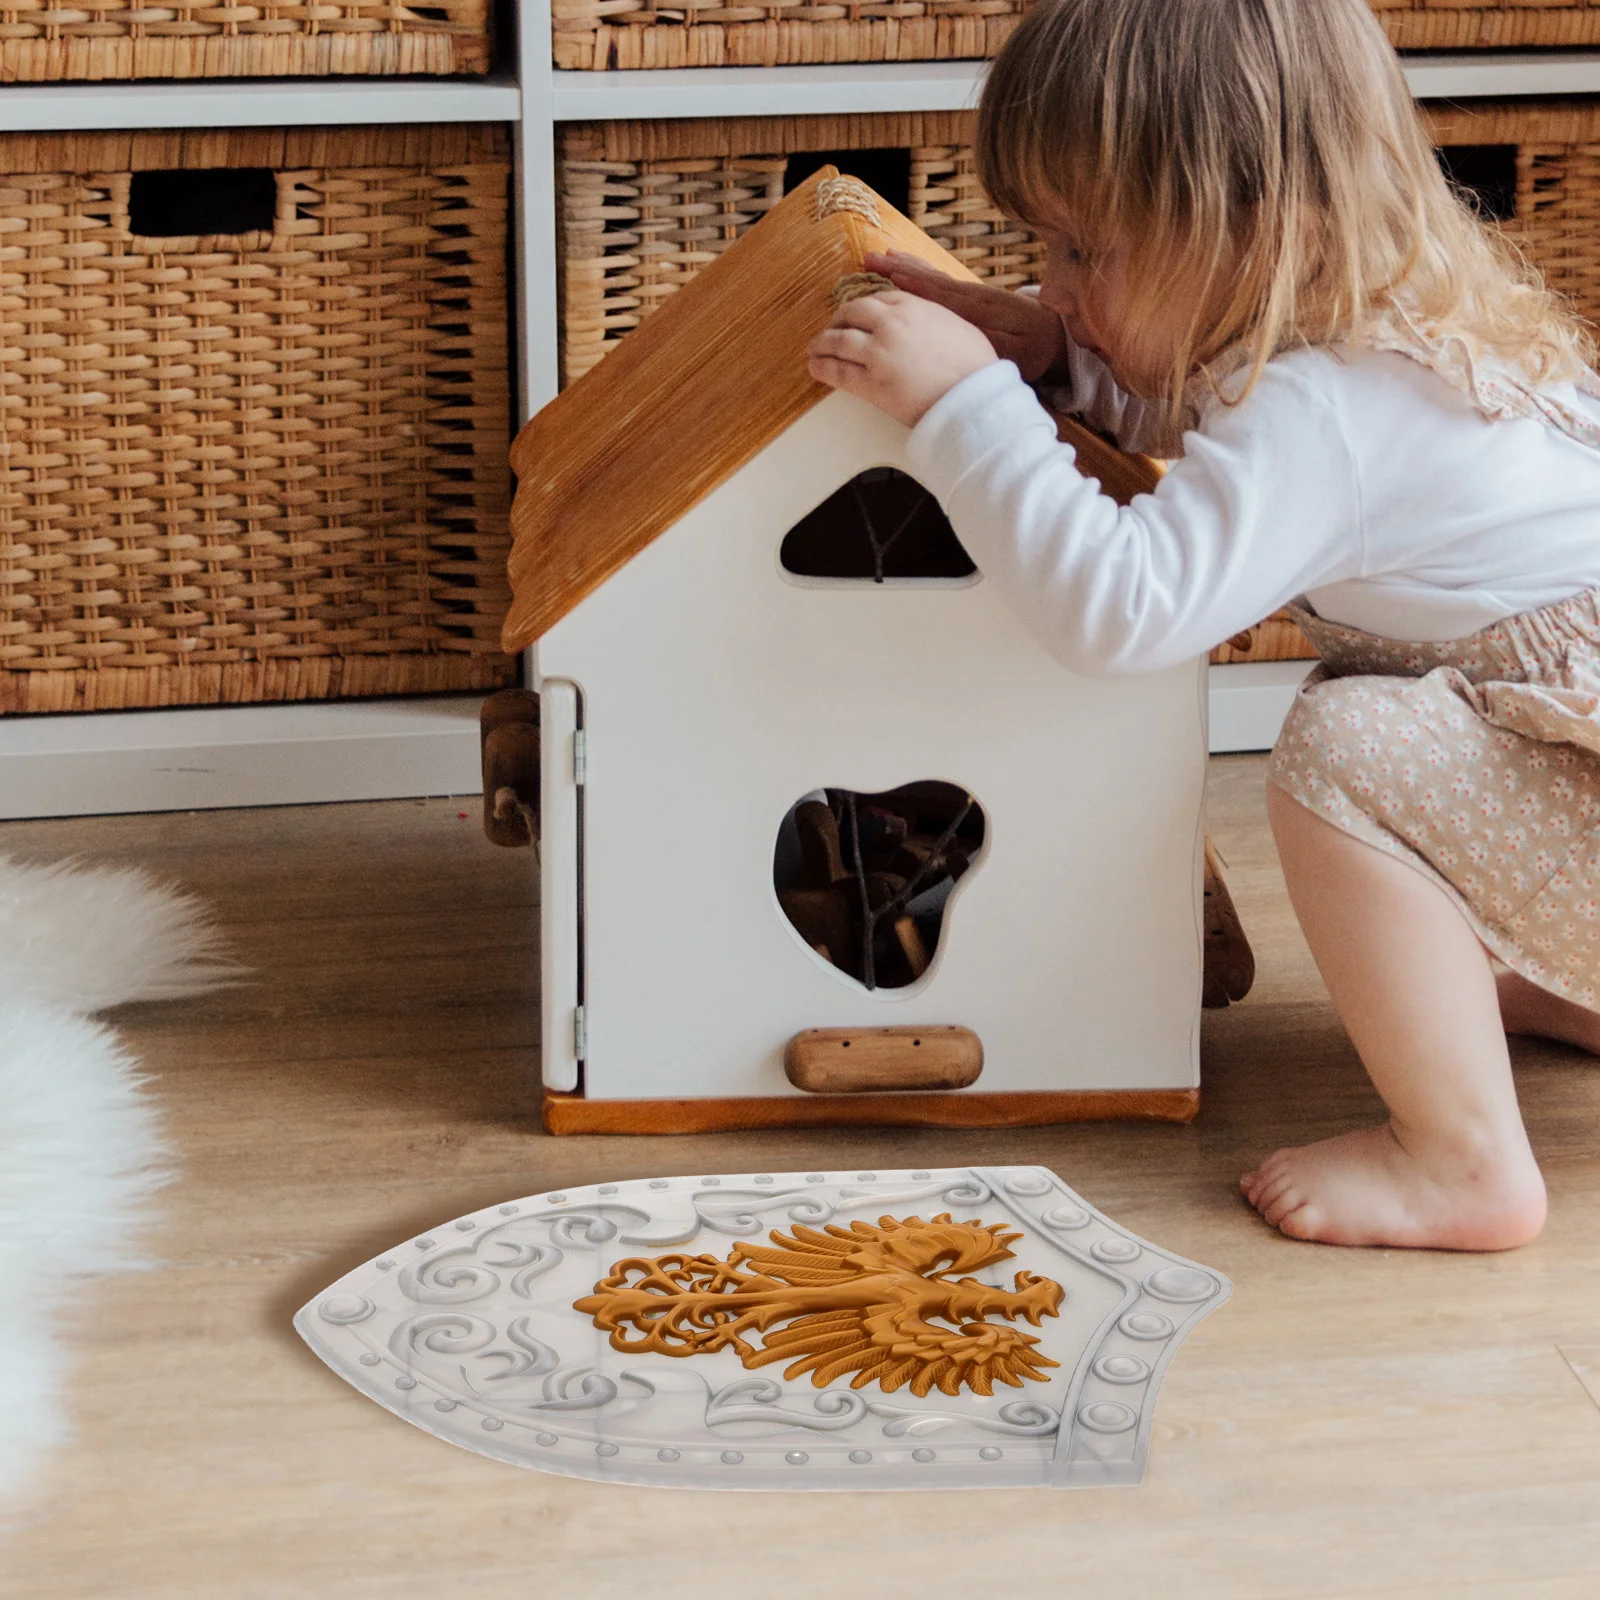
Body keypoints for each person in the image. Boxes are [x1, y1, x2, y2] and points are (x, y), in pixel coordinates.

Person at [807, 0, 1600, 1251]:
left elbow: (1123, 609)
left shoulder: (1326, 411)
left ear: (1255, 226)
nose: (1053, 286)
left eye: (1084, 253)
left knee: (1346, 743)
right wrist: (1065, 366)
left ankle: (1464, 1165)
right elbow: (1218, 408)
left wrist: (969, 414)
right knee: (1402, 734)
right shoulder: (1390, 319)